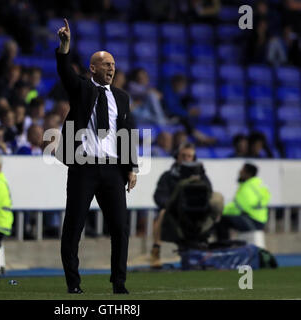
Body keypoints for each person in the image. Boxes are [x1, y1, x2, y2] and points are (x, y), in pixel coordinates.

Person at [56, 19, 138, 294]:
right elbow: (65, 73)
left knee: (120, 229)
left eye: (113, 64)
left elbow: (128, 132)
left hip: (113, 171)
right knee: (74, 227)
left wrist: (132, 168)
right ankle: (73, 284)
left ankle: (119, 283)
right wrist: (65, 47)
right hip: (84, 168)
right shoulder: (82, 89)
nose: (111, 68)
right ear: (93, 68)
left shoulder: (123, 97)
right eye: (106, 64)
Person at [151, 142, 223, 267]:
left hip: (199, 213)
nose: (186, 158)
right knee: (162, 213)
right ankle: (156, 252)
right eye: (183, 155)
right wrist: (173, 204)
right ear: (177, 156)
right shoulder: (168, 176)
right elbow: (159, 197)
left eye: (189, 156)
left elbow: (210, 194)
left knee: (217, 200)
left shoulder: (202, 177)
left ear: (193, 158)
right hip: (175, 213)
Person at [215, 163, 270, 241]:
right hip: (259, 220)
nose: (239, 172)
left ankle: (223, 246)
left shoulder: (248, 188)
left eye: (242, 170)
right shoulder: (257, 184)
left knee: (221, 220)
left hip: (253, 221)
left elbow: (238, 209)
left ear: (248, 174)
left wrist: (220, 211)